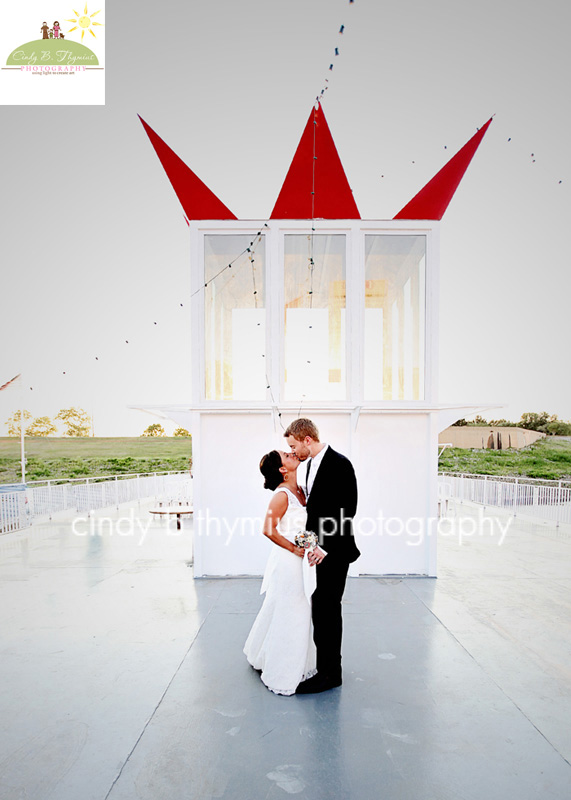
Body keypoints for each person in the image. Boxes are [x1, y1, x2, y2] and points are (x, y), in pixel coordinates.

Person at [285, 418, 360, 694]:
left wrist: (324, 548)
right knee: (321, 610)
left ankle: (331, 675)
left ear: (307, 439)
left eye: (294, 445)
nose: (293, 451)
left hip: (335, 552)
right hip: (317, 552)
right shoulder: (307, 467)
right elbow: (314, 513)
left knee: (328, 611)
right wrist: (308, 543)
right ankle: (325, 667)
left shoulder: (340, 464)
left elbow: (346, 511)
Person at [243, 450, 317, 695]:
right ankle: (283, 670)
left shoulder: (302, 490)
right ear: (282, 470)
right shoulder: (282, 495)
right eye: (285, 455)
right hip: (288, 562)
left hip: (303, 561)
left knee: (296, 608)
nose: (291, 453)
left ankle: (263, 652)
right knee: (293, 610)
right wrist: (294, 549)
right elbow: (268, 529)